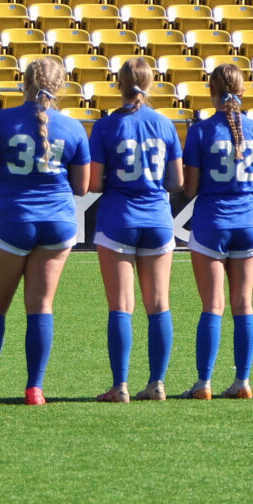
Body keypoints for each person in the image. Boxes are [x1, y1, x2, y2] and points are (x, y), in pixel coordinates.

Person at [0, 58, 88, 405]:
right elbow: (82, 187)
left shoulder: (1, 121)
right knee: (41, 306)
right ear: (62, 86)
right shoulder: (74, 128)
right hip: (58, 222)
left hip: (14, 219)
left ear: (24, 83)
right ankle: (35, 388)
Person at [87, 58, 182, 403]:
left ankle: (120, 386)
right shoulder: (165, 124)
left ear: (119, 85)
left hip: (119, 218)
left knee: (121, 306)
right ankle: (157, 383)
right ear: (151, 84)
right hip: (157, 218)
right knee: (158, 304)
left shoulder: (105, 126)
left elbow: (94, 183)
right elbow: (177, 181)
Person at [179, 65, 253, 400]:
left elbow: (190, 188)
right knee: (244, 304)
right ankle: (242, 381)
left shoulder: (201, 131)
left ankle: (204, 383)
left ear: (211, 92)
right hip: (247, 222)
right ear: (242, 91)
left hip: (211, 222)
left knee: (212, 306)